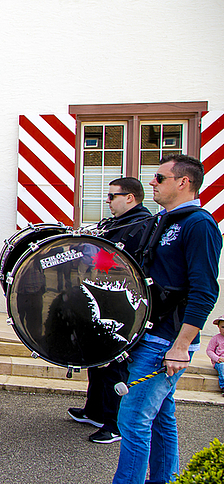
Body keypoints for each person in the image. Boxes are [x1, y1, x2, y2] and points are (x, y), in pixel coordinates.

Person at [113, 155, 222, 484]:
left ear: (183, 182)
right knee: (160, 417)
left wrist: (181, 346)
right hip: (152, 333)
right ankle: (164, 479)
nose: (152, 183)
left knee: (133, 420)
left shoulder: (198, 224)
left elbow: (204, 291)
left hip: (167, 341)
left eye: (159, 178)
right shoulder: (165, 220)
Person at [66, 177, 152, 444]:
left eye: (112, 196)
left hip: (122, 303)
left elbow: (121, 262)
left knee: (115, 364)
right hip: (106, 295)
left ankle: (114, 424)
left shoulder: (141, 224)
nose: (107, 201)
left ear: (130, 198)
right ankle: (95, 411)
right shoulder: (120, 223)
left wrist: (93, 255)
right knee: (98, 359)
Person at [207, 317, 224, 396]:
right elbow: (209, 351)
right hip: (219, 361)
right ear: (219, 327)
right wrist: (217, 358)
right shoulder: (216, 338)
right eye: (223, 327)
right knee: (222, 368)